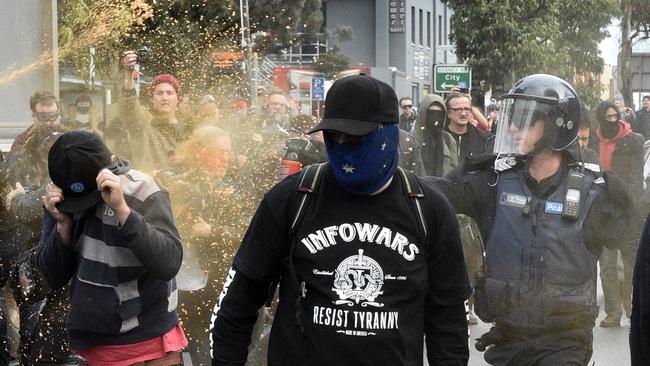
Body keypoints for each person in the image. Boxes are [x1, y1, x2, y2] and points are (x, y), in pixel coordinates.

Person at [210, 74, 471, 365]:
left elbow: (449, 326)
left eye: (356, 137)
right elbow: (237, 306)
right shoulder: (292, 197)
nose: (343, 145)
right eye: (334, 135)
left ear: (388, 134)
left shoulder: (428, 208)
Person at [426, 74, 633, 365]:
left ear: (556, 125)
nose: (513, 127)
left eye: (526, 119)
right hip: (506, 343)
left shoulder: (595, 194)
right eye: (514, 117)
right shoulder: (491, 184)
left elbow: (636, 250)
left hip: (565, 345)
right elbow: (431, 194)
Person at [38, 131, 187, 365]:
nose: (83, 206)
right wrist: (63, 226)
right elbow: (52, 277)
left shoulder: (142, 189)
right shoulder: (60, 199)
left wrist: (123, 211)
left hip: (154, 332)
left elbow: (169, 263)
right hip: (100, 340)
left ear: (111, 166)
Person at [591, 100, 645, 328]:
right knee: (607, 264)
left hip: (626, 209)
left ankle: (632, 307)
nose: (612, 120)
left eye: (615, 116)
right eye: (608, 117)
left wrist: (626, 203)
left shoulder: (633, 141)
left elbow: (636, 177)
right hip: (602, 211)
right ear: (601, 118)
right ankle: (612, 312)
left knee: (631, 262)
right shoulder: (594, 141)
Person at [112, 50, 191, 172]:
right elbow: (128, 105)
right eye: (159, 93)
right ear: (151, 98)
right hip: (149, 188)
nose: (164, 97)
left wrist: (187, 159)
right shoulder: (143, 121)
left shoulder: (187, 128)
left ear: (178, 98)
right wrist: (128, 73)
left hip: (180, 189)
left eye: (169, 93)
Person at [411, 94, 459, 176]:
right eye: (431, 113)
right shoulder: (411, 139)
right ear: (423, 113)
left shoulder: (448, 139)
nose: (435, 117)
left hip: (442, 186)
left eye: (439, 113)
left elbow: (454, 169)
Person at [9, 91, 61, 160]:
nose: (48, 122)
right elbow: (15, 165)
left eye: (52, 116)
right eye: (43, 117)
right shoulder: (22, 141)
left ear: (58, 115)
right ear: (33, 116)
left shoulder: (68, 137)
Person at [444, 92, 494, 161]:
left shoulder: (483, 139)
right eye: (458, 109)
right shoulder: (440, 137)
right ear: (449, 113)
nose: (463, 113)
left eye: (466, 109)